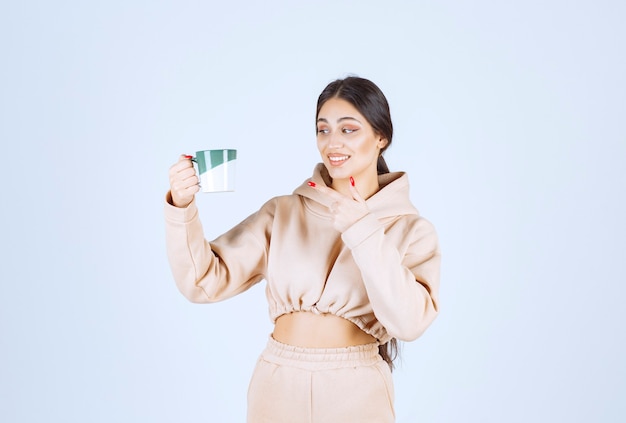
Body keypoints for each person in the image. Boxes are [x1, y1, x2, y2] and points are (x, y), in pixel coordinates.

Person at [164, 76, 441, 423]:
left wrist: (364, 231)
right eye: (323, 130)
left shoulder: (411, 230)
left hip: (357, 391)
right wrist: (181, 205)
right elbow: (202, 280)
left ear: (381, 137)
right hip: (278, 383)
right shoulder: (284, 212)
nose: (332, 142)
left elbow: (410, 322)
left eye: (349, 129)